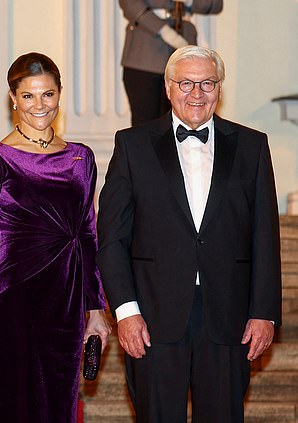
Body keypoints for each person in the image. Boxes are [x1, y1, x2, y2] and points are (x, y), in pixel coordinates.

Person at [97, 45, 281, 422]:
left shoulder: (252, 146)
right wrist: (126, 311)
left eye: (207, 83)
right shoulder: (131, 145)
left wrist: (264, 312)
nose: (196, 93)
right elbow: (112, 237)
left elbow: (266, 235)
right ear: (167, 87)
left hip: (228, 318)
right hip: (152, 318)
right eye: (186, 83)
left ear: (219, 88)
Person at [0, 52, 111, 423]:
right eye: (28, 96)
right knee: (13, 406)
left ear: (59, 95)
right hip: (14, 298)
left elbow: (88, 233)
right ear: (13, 98)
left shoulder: (82, 157)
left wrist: (96, 308)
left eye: (47, 94)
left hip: (65, 302)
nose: (39, 105)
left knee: (59, 405)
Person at [119, 0, 223, 126]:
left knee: (185, 123)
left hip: (183, 40)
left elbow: (215, 5)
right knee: (145, 124)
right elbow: (130, 4)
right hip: (146, 49)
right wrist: (163, 30)